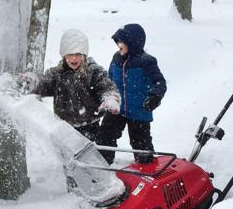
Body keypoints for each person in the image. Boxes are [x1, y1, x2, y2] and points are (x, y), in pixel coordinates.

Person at [19, 28, 122, 154]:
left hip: (88, 124)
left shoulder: (93, 72)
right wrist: (33, 83)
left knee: (88, 153)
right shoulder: (57, 73)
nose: (74, 58)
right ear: (63, 55)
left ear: (84, 54)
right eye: (70, 54)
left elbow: (106, 86)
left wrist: (110, 98)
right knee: (66, 153)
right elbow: (45, 83)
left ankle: (94, 168)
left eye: (78, 54)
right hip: (65, 125)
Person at [101, 23, 167, 165]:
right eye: (117, 41)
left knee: (141, 144)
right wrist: (107, 96)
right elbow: (109, 80)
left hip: (139, 111)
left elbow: (159, 82)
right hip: (117, 109)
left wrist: (155, 96)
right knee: (105, 135)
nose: (118, 44)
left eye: (121, 41)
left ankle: (147, 169)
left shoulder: (147, 62)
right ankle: (102, 165)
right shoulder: (116, 58)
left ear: (132, 43)